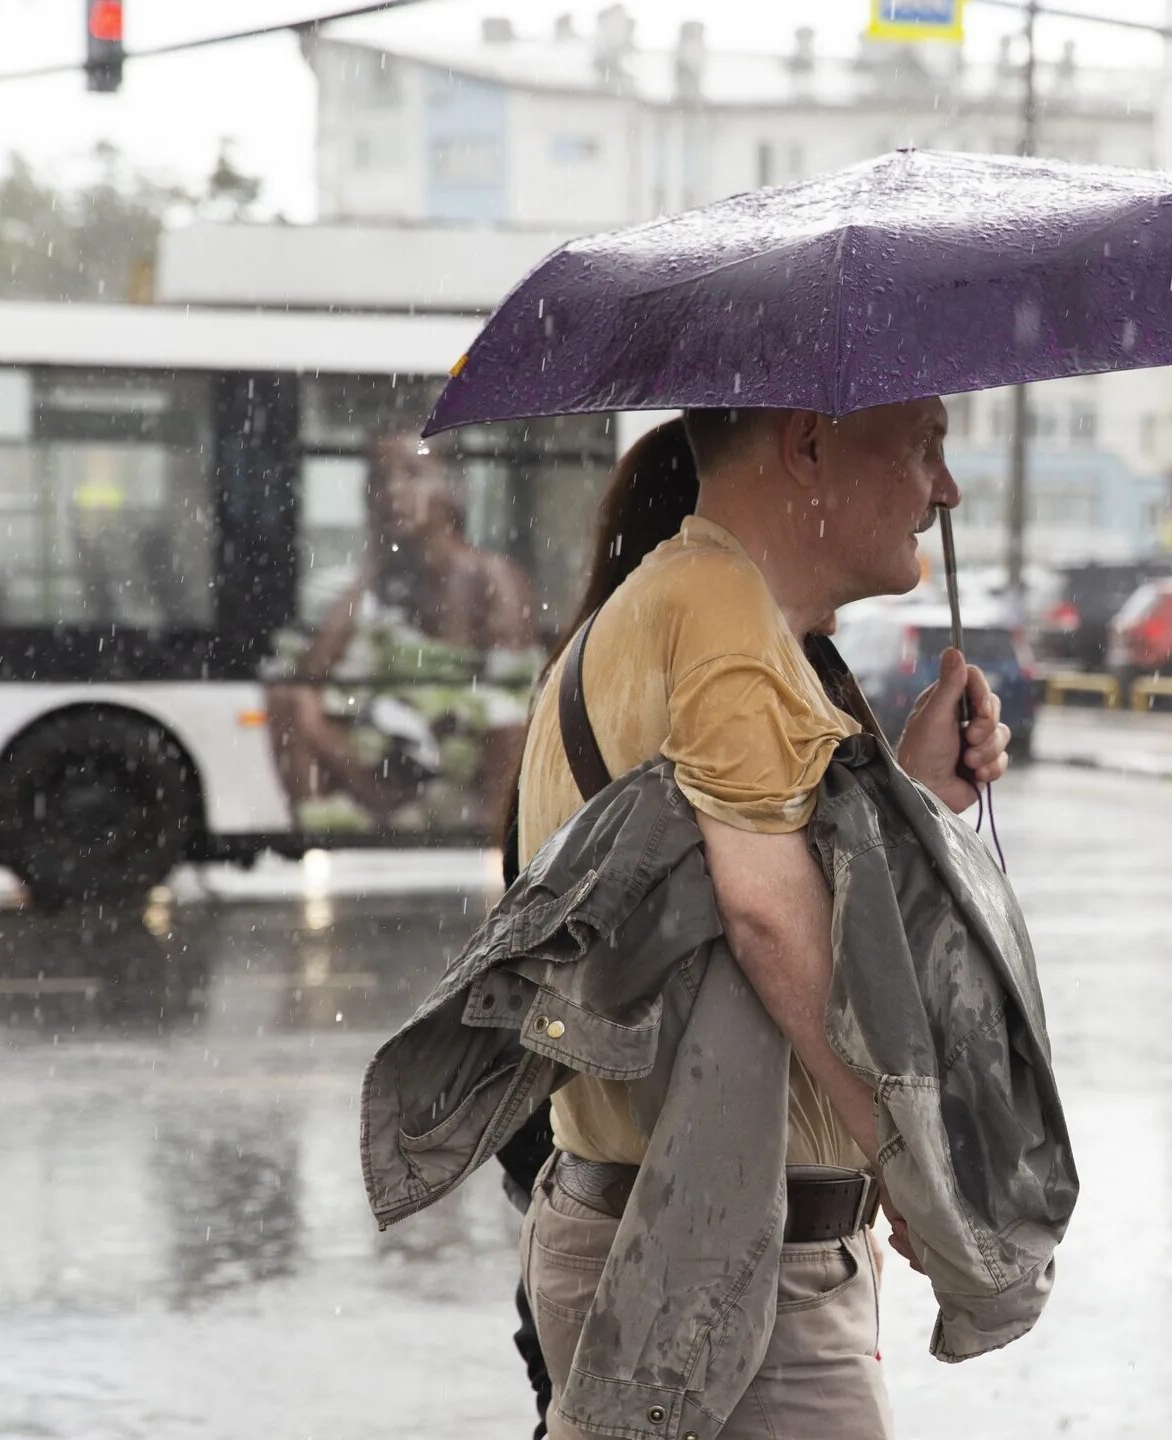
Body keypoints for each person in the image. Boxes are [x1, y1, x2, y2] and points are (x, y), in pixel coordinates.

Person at [509, 406, 1009, 1440]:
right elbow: (768, 923)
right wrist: (914, 1167)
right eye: (924, 443)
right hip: (723, 1259)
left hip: (679, 1233)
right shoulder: (721, 613)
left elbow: (733, 902)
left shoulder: (685, 608)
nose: (943, 487)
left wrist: (911, 790)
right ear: (810, 444)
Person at [266, 431, 539, 828]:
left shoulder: (490, 575)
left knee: (508, 719)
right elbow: (313, 669)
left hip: (460, 738)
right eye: (380, 478)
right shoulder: (388, 579)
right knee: (289, 696)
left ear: (453, 490)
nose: (394, 490)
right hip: (389, 738)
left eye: (413, 474)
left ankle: (496, 830)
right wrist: (372, 564)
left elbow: (512, 690)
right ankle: (358, 809)